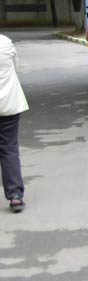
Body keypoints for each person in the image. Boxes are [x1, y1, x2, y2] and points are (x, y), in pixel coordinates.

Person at [0, 34, 28, 212]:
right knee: (9, 148)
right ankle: (15, 196)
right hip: (9, 102)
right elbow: (16, 67)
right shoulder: (5, 42)